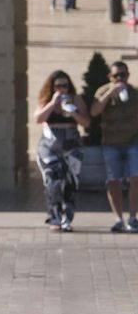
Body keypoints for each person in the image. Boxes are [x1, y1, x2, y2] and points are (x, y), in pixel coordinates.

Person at [33, 70, 89, 232]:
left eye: (65, 85)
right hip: (49, 146)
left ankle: (67, 219)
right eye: (58, 86)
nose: (62, 89)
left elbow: (86, 122)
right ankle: (55, 217)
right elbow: (38, 119)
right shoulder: (46, 99)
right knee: (52, 181)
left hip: (71, 145)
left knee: (70, 183)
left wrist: (73, 112)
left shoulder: (76, 99)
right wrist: (52, 104)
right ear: (52, 87)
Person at [90, 61, 138, 232]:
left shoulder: (134, 93)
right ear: (110, 77)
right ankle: (118, 219)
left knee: (135, 179)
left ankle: (133, 218)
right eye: (116, 75)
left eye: (123, 75)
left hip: (133, 142)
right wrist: (110, 92)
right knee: (113, 181)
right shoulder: (103, 91)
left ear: (128, 76)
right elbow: (94, 111)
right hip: (111, 143)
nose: (120, 78)